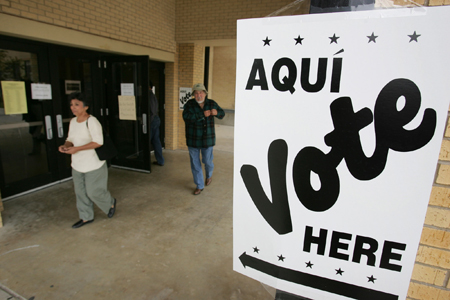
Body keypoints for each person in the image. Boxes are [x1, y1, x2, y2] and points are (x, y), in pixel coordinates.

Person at [59, 92, 116, 228]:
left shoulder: (92, 121)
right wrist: (65, 146)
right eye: (72, 105)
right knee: (80, 192)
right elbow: (70, 139)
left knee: (93, 191)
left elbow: (98, 142)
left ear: (86, 107)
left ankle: (110, 202)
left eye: (77, 105)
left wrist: (77, 149)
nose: (73, 107)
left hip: (93, 164)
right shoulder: (73, 121)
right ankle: (86, 217)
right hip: (77, 164)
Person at [182, 83, 225, 195]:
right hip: (193, 140)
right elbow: (186, 117)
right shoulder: (189, 105)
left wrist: (217, 113)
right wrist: (201, 115)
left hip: (208, 139)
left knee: (207, 161)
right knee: (195, 164)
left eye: (201, 92)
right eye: (196, 93)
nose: (199, 95)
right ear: (193, 95)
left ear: (205, 93)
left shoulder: (211, 103)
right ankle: (199, 185)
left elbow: (222, 113)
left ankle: (209, 175)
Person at [149, 81, 164, 166]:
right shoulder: (153, 95)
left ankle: (144, 162)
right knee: (156, 141)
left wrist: (148, 122)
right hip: (155, 120)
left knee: (149, 140)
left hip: (152, 121)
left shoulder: (150, 96)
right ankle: (160, 161)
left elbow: (152, 111)